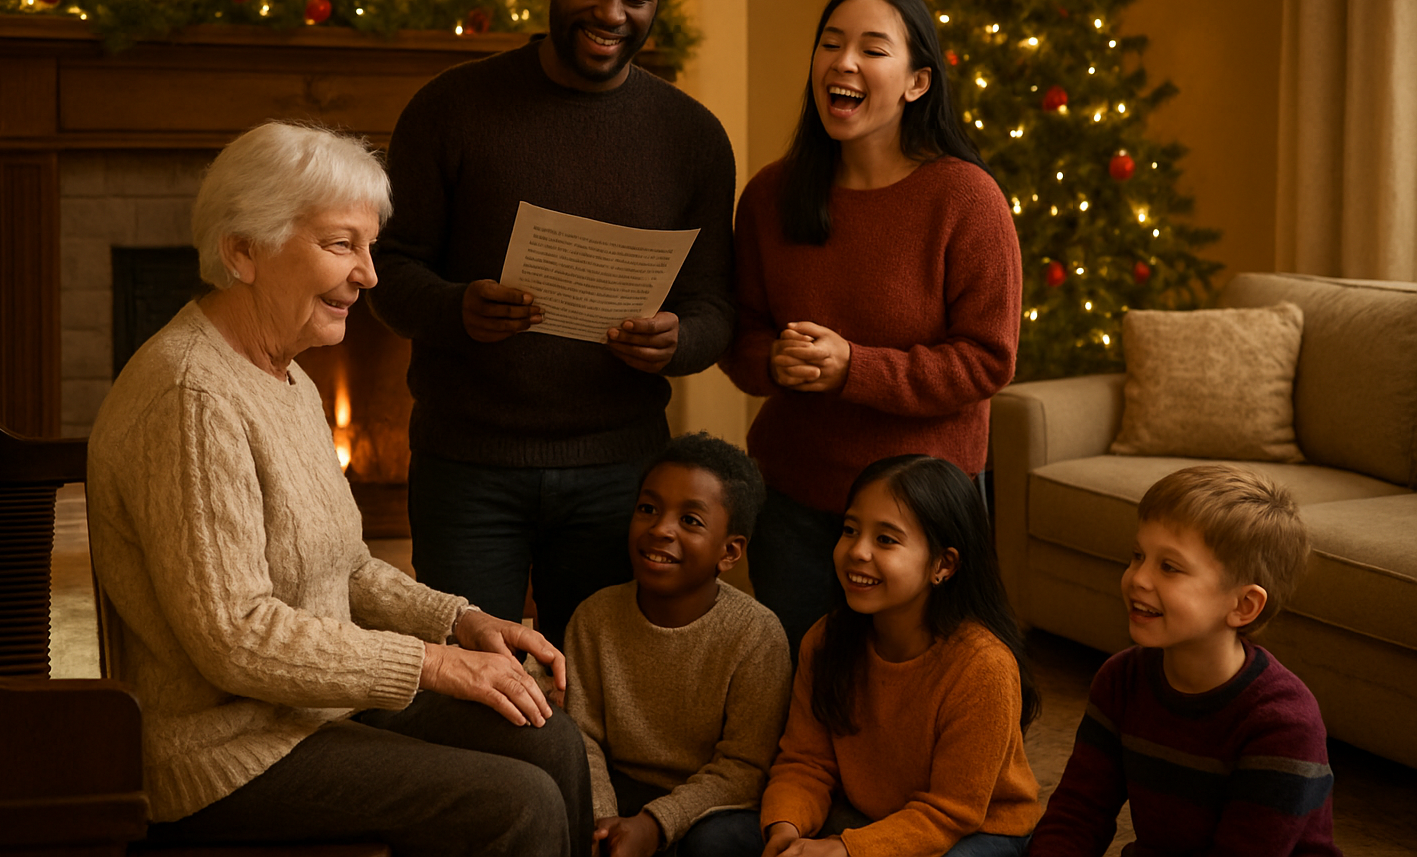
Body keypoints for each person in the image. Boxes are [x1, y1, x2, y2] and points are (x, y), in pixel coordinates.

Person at [86, 122, 592, 856]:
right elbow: (234, 637)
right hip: (226, 749)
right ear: (242, 252)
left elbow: (345, 565)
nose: (370, 275)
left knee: (547, 739)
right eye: (339, 245)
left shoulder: (286, 375)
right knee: (518, 802)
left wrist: (458, 622)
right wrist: (430, 663)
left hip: (309, 706)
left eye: (370, 247)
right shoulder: (190, 396)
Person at [371, 0, 737, 647]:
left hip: (621, 470)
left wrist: (679, 341)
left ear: (656, 2)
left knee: (600, 690)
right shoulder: (450, 109)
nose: (612, 13)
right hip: (468, 464)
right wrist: (456, 309)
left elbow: (716, 306)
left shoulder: (692, 138)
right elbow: (391, 270)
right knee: (473, 687)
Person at [718, 0, 1021, 660]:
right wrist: (772, 360)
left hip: (921, 507)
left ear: (917, 82)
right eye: (831, 43)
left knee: (916, 693)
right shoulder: (771, 194)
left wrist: (855, 368)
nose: (843, 62)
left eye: (871, 49)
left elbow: (986, 359)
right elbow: (740, 331)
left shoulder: (966, 198)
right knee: (801, 689)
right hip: (793, 497)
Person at [1029, 465, 1342, 856]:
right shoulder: (1122, 678)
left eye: (1169, 567)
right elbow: (1078, 812)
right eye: (1138, 555)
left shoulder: (1282, 722)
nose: (1138, 578)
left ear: (1243, 606)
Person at [755, 455, 1041, 857]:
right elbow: (805, 763)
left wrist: (844, 850)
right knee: (723, 836)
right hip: (865, 814)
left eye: (885, 539)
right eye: (850, 530)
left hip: (975, 830)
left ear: (943, 564)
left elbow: (951, 813)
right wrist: (785, 829)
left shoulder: (983, 666)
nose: (857, 551)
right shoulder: (825, 639)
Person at [565, 433, 791, 857]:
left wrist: (655, 824)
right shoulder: (594, 617)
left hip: (714, 804)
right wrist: (603, 822)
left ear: (730, 552)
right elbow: (582, 739)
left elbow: (744, 767)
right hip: (617, 791)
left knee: (714, 844)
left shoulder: (757, 635)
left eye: (690, 520)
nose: (660, 529)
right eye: (648, 509)